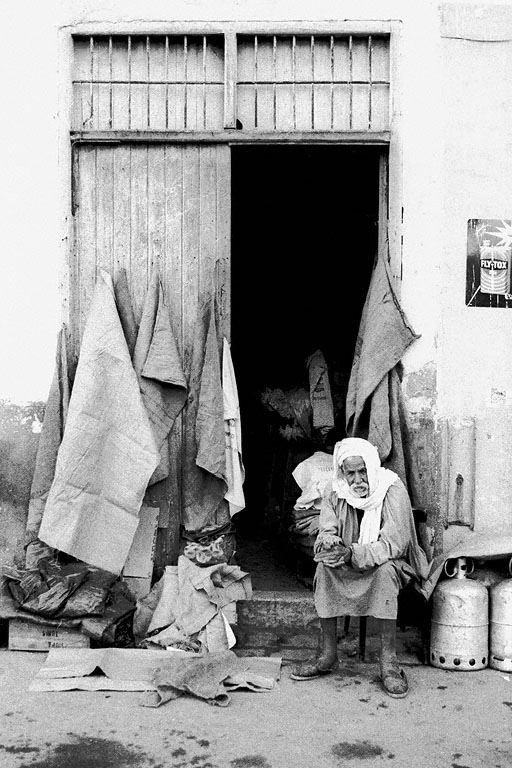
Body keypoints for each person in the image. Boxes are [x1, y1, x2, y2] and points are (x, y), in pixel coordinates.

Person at [290, 437, 428, 698]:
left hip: (386, 562)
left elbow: (393, 545)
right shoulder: (335, 490)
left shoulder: (391, 488)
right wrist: (328, 544)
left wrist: (352, 553)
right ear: (342, 472)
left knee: (386, 573)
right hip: (349, 559)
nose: (357, 479)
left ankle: (389, 664)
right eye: (350, 472)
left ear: (372, 467)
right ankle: (327, 655)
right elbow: (327, 529)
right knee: (324, 569)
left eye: (362, 471)